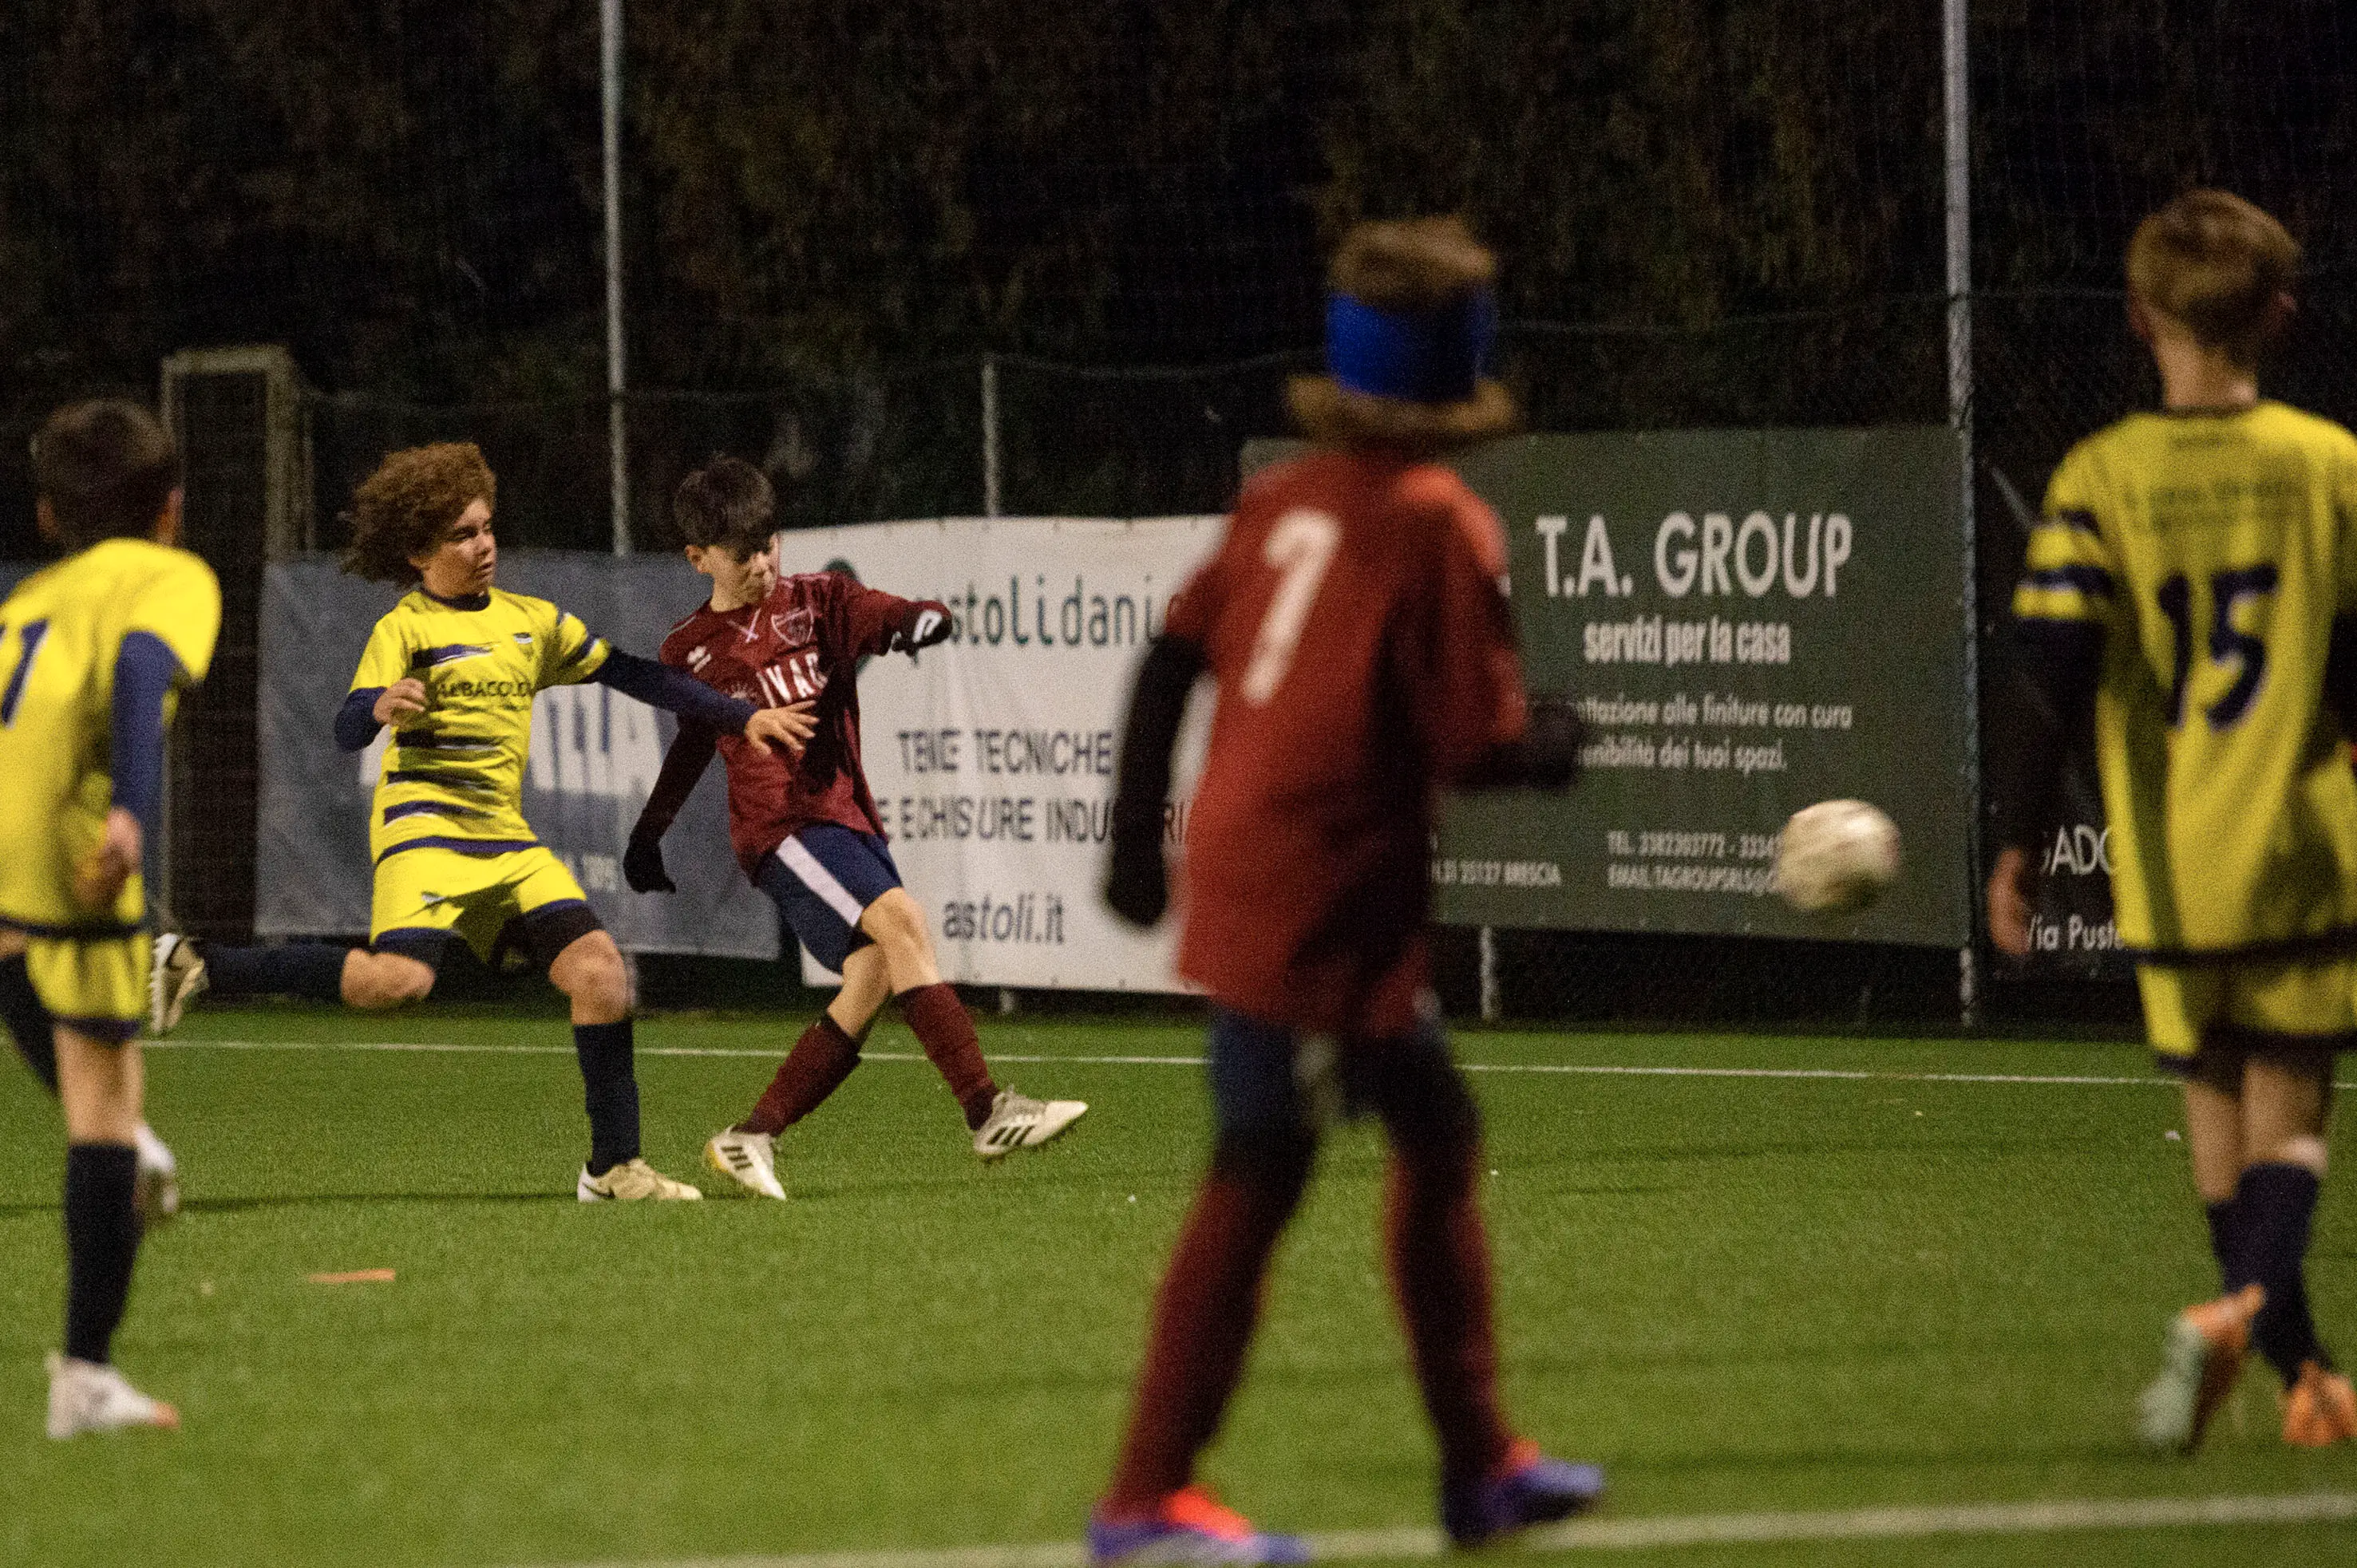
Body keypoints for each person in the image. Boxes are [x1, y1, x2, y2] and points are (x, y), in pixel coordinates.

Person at [1087, 217, 1596, 1562]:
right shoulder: (1439, 522)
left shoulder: (1283, 500)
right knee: (1259, 1168)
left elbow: (1166, 659)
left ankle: (1481, 1469)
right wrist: (1554, 740)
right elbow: (1473, 745)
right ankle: (1143, 1501)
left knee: (1434, 1132)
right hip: (1316, 900)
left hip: (1288, 882)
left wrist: (1132, 844)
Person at [149, 442, 812, 1201]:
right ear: (419, 552)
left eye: (487, 526)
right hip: (423, 829)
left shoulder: (532, 622)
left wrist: (740, 715)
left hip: (504, 838)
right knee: (399, 980)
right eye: (462, 534)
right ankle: (200, 963)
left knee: (599, 974)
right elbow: (345, 726)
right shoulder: (405, 628)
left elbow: (636, 674)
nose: (484, 544)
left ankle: (614, 1168)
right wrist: (378, 705)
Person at [1989, 188, 2357, 1451]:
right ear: (2279, 316)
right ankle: (2245, 1312)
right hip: (2302, 850)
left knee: (2215, 1114)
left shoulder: (2100, 479)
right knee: (2290, 1125)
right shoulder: (2330, 466)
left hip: (2166, 862)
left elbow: (2049, 675)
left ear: (2141, 319)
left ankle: (2305, 1379)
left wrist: (2016, 844)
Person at [622, 455, 1086, 1200]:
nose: (762, 564)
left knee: (872, 973)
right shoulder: (689, 649)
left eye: (769, 545)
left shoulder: (818, 601)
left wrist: (920, 620)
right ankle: (987, 1110)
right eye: (742, 555)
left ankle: (751, 1135)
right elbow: (692, 745)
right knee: (904, 922)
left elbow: (885, 614)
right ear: (698, 558)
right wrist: (650, 832)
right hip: (782, 828)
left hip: (844, 815)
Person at [0, 400, 219, 1436]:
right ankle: (85, 1378)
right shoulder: (170, 575)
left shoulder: (30, 596)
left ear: (50, 516)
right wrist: (131, 807)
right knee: (104, 1106)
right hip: (68, 836)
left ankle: (141, 1148)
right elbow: (139, 669)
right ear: (171, 507)